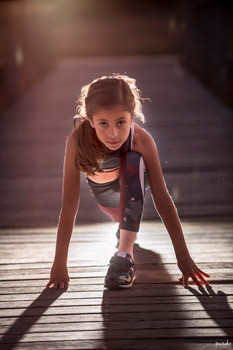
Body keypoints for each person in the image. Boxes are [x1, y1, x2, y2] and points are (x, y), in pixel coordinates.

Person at [46, 73, 210, 290]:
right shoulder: (77, 140)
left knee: (133, 159)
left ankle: (124, 257)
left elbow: (162, 197)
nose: (113, 134)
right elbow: (69, 205)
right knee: (121, 194)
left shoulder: (142, 140)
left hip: (133, 192)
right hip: (108, 201)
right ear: (91, 121)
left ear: (132, 117)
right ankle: (123, 227)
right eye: (103, 123)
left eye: (121, 122)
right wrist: (59, 264)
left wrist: (182, 257)